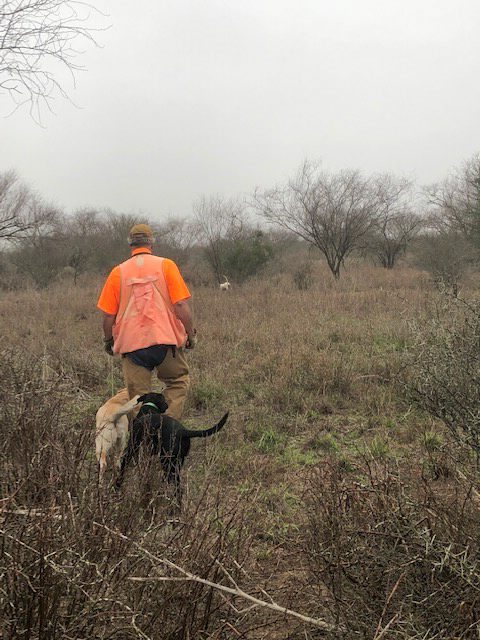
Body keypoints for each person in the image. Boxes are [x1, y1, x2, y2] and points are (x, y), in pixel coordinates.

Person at [97, 223, 196, 420]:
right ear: (152, 243)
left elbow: (108, 316)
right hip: (166, 342)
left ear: (130, 245)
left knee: (137, 398)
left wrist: (108, 340)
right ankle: (166, 426)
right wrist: (190, 334)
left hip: (132, 347)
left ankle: (145, 438)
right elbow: (181, 306)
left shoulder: (118, 272)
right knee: (177, 382)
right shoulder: (166, 265)